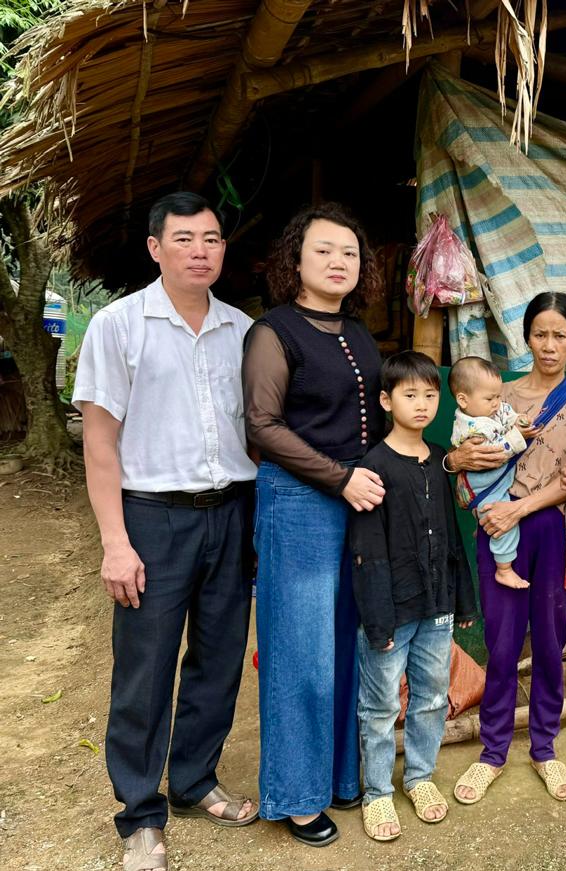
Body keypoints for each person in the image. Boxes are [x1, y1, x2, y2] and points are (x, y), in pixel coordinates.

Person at [74, 191, 259, 871]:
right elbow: (100, 443)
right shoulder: (119, 325)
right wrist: (115, 541)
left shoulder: (243, 329)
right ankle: (140, 814)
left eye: (211, 238)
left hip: (230, 510)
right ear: (156, 247)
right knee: (144, 666)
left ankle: (194, 779)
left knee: (218, 656)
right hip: (152, 516)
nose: (200, 250)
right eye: (184, 239)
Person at [243, 202, 386, 847]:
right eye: (324, 250)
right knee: (300, 650)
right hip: (298, 501)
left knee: (344, 642)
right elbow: (262, 428)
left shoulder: (357, 332)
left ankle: (339, 778)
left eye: (350, 253)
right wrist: (340, 478)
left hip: (356, 499)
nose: (338, 262)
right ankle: (298, 796)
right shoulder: (273, 331)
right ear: (295, 260)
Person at [446, 292, 566, 806]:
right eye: (539, 334)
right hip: (496, 531)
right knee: (502, 639)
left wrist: (518, 510)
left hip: (551, 530)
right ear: (525, 337)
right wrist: (452, 460)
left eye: (560, 335)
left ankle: (545, 748)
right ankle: (493, 751)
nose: (549, 345)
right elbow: (463, 456)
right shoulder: (495, 394)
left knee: (551, 641)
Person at [347, 351, 478, 841]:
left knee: (431, 698)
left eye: (429, 394)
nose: (421, 404)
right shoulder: (374, 467)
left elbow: (450, 534)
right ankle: (378, 792)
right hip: (391, 610)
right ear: (386, 400)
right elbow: (367, 551)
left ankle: (420, 777)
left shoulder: (441, 458)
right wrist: (377, 619)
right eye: (409, 395)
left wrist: (462, 599)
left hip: (436, 605)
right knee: (380, 707)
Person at [449, 355, 534, 590]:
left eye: (498, 395)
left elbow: (506, 412)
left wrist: (518, 419)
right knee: (502, 520)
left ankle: (481, 522)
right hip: (483, 479)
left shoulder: (488, 409)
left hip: (496, 478)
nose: (496, 402)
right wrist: (518, 436)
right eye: (490, 398)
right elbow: (494, 452)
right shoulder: (471, 427)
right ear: (463, 400)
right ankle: (504, 569)